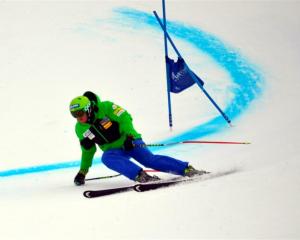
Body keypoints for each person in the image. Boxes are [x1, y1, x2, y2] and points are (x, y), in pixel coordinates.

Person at [69, 91, 208, 186]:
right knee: (106, 158)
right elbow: (88, 151)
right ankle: (141, 176)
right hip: (114, 150)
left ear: (88, 108)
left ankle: (186, 169)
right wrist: (83, 171)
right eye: (74, 115)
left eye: (80, 113)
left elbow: (125, 118)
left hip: (130, 141)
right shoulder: (80, 128)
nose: (78, 117)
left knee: (149, 160)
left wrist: (131, 136)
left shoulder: (106, 107)